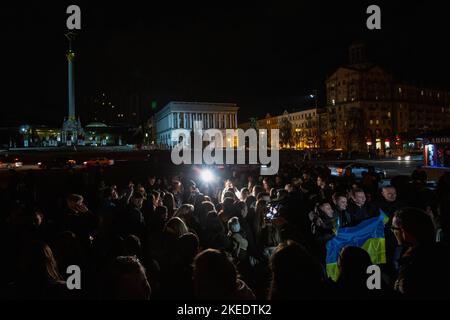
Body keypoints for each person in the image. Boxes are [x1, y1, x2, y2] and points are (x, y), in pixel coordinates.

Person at [392, 208, 450, 298]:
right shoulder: (407, 251)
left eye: (394, 228)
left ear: (405, 232)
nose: (393, 231)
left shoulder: (420, 263)